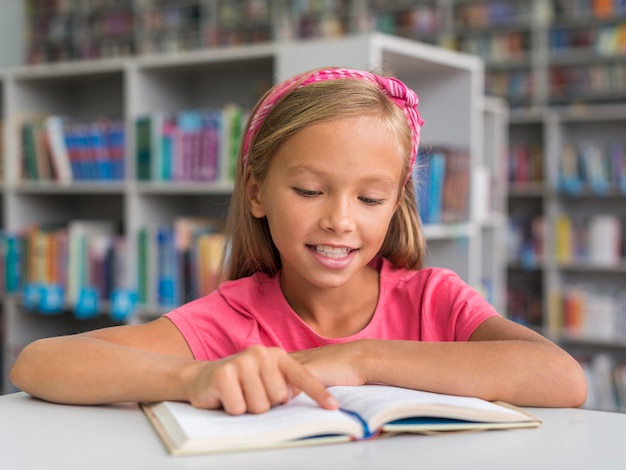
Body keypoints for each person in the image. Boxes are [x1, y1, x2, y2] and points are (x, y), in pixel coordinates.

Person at [10, 67, 587, 415]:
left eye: (369, 199)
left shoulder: (436, 299)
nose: (340, 221)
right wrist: (194, 377)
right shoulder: (234, 318)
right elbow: (40, 363)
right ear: (257, 194)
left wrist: (362, 360)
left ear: (397, 204)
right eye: (310, 190)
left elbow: (563, 379)